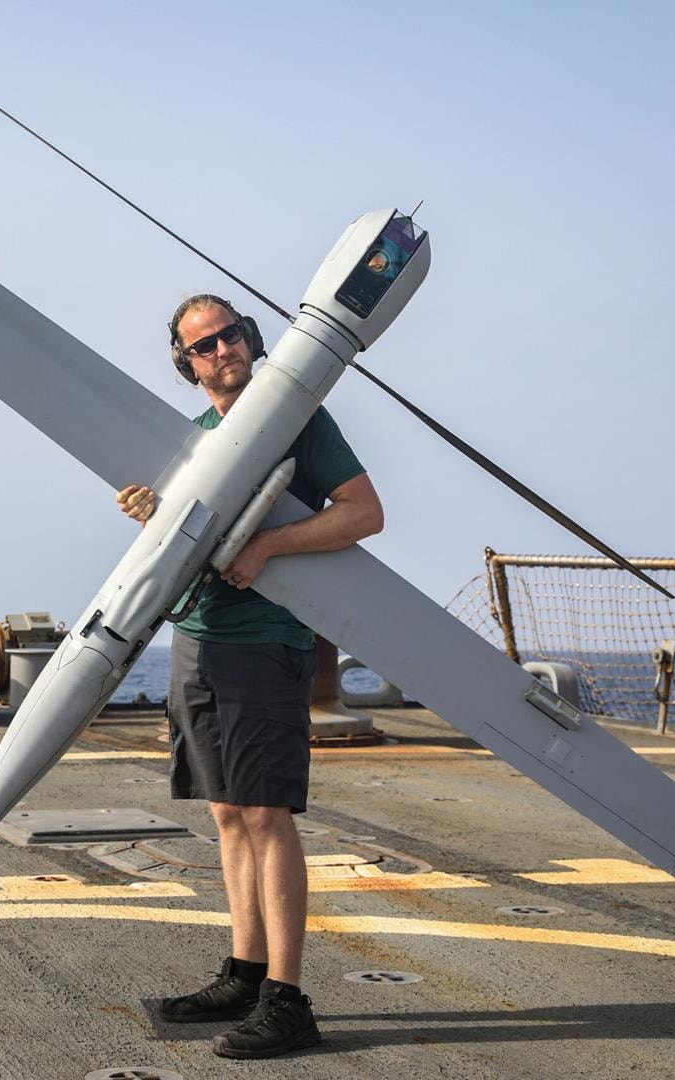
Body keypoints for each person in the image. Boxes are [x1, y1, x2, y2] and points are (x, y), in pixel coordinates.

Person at [115, 293, 385, 1060]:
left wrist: (273, 547)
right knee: (227, 813)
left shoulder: (295, 420)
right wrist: (150, 512)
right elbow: (189, 535)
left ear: (252, 339)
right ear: (185, 363)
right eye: (204, 346)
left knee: (267, 817)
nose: (222, 351)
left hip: (268, 641)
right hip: (199, 637)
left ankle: (289, 1000)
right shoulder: (193, 438)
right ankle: (244, 971)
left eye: (230, 336)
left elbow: (363, 513)